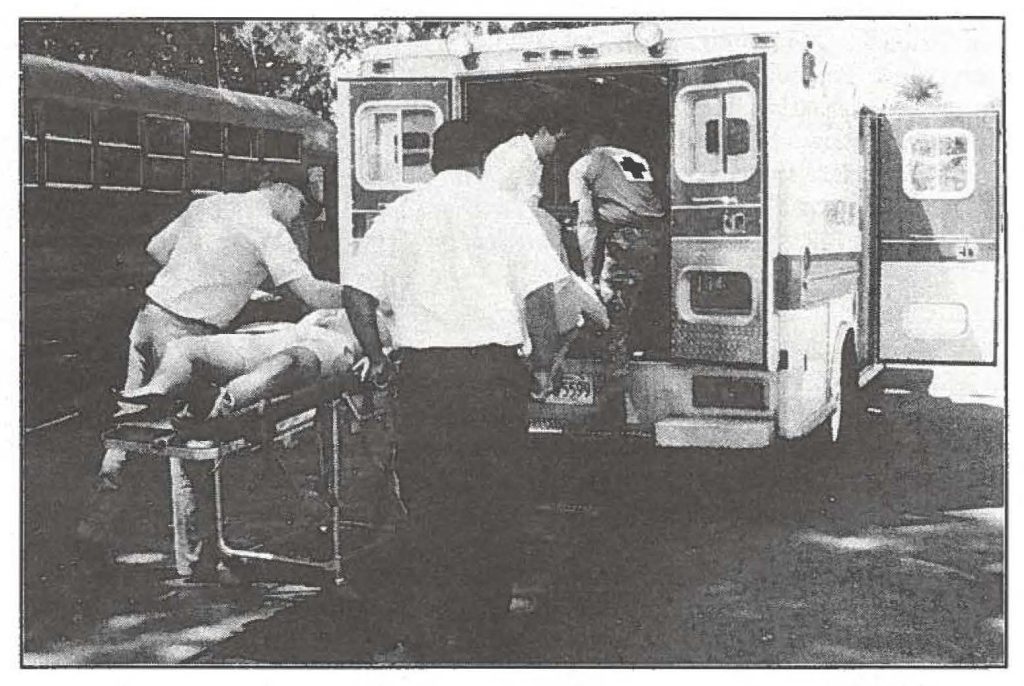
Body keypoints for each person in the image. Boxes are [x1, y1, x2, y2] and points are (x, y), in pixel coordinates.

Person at [343, 119, 607, 661]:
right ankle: (484, 632)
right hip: (491, 380)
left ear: (431, 161)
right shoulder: (506, 212)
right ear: (481, 160)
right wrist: (541, 363)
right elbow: (539, 296)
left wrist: (377, 359)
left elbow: (356, 294)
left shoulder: (399, 214)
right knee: (494, 503)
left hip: (423, 381)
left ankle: (429, 626)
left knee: (432, 501)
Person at [77, 182, 350, 578]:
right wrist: (362, 296)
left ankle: (92, 528)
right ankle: (200, 562)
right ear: (287, 193)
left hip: (149, 319)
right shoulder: (268, 229)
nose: (301, 221)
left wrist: (230, 283)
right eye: (304, 211)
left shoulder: (209, 205)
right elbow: (312, 294)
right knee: (194, 448)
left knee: (129, 429)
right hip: (187, 336)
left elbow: (157, 249)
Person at [116, 309, 385, 421]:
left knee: (287, 363)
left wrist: (372, 358)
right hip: (281, 334)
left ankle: (228, 400)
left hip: (333, 346)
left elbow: (389, 351)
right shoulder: (350, 299)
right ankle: (159, 390)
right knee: (184, 347)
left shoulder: (391, 314)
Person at [566, 127, 666, 424]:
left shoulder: (582, 166)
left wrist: (587, 277)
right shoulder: (632, 157)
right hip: (655, 236)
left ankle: (616, 404)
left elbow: (586, 224)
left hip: (626, 238)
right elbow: (642, 198)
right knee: (639, 306)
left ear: (583, 148)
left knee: (612, 315)